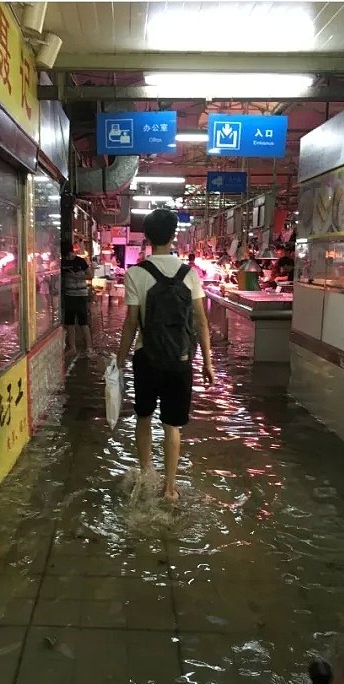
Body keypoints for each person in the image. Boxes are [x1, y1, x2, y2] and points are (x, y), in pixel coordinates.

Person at [116, 209, 214, 503]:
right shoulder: (190, 274)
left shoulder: (136, 273)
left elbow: (131, 322)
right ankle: (170, 487)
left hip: (147, 358)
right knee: (172, 425)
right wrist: (207, 362)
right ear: (174, 236)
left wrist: (119, 360)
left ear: (146, 237)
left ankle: (147, 475)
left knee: (143, 418)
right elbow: (200, 321)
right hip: (180, 359)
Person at [61, 243, 93, 356]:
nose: (67, 258)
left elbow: (90, 275)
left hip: (81, 296)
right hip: (69, 295)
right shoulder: (63, 262)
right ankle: (72, 348)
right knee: (69, 323)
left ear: (72, 252)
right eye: (65, 256)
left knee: (83, 322)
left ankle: (89, 348)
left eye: (68, 255)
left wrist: (77, 277)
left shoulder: (80, 261)